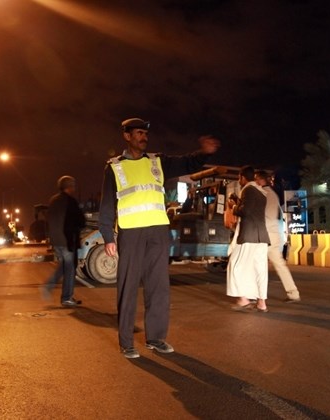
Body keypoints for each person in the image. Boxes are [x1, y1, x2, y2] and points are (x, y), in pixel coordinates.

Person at [99, 117, 220, 358]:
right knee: (128, 287)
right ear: (127, 136)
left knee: (158, 287)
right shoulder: (114, 167)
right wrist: (108, 236)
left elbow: (187, 163)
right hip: (131, 232)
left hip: (157, 231)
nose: (144, 137)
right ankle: (127, 342)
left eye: (146, 134)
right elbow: (107, 205)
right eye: (139, 133)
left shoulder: (158, 161)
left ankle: (155, 338)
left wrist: (203, 153)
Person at [226, 165, 270, 312]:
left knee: (235, 265)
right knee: (259, 270)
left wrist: (233, 207)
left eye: (239, 178)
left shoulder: (247, 189)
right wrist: (238, 201)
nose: (239, 181)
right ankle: (261, 303)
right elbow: (251, 208)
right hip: (262, 236)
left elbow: (246, 211)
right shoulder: (261, 192)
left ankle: (243, 299)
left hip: (248, 235)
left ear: (243, 177)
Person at [255, 169, 301, 302]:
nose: (255, 182)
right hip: (275, 234)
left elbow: (263, 216)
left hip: (268, 235)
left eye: (256, 179)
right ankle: (293, 293)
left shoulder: (264, 194)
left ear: (261, 180)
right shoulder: (272, 194)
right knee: (279, 265)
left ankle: (255, 296)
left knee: (257, 264)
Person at [41, 175, 86, 307]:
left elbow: (49, 220)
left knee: (64, 266)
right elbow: (80, 221)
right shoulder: (70, 201)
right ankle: (67, 298)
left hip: (56, 241)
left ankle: (49, 285)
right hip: (67, 240)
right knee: (70, 269)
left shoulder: (53, 200)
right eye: (73, 185)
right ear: (70, 187)